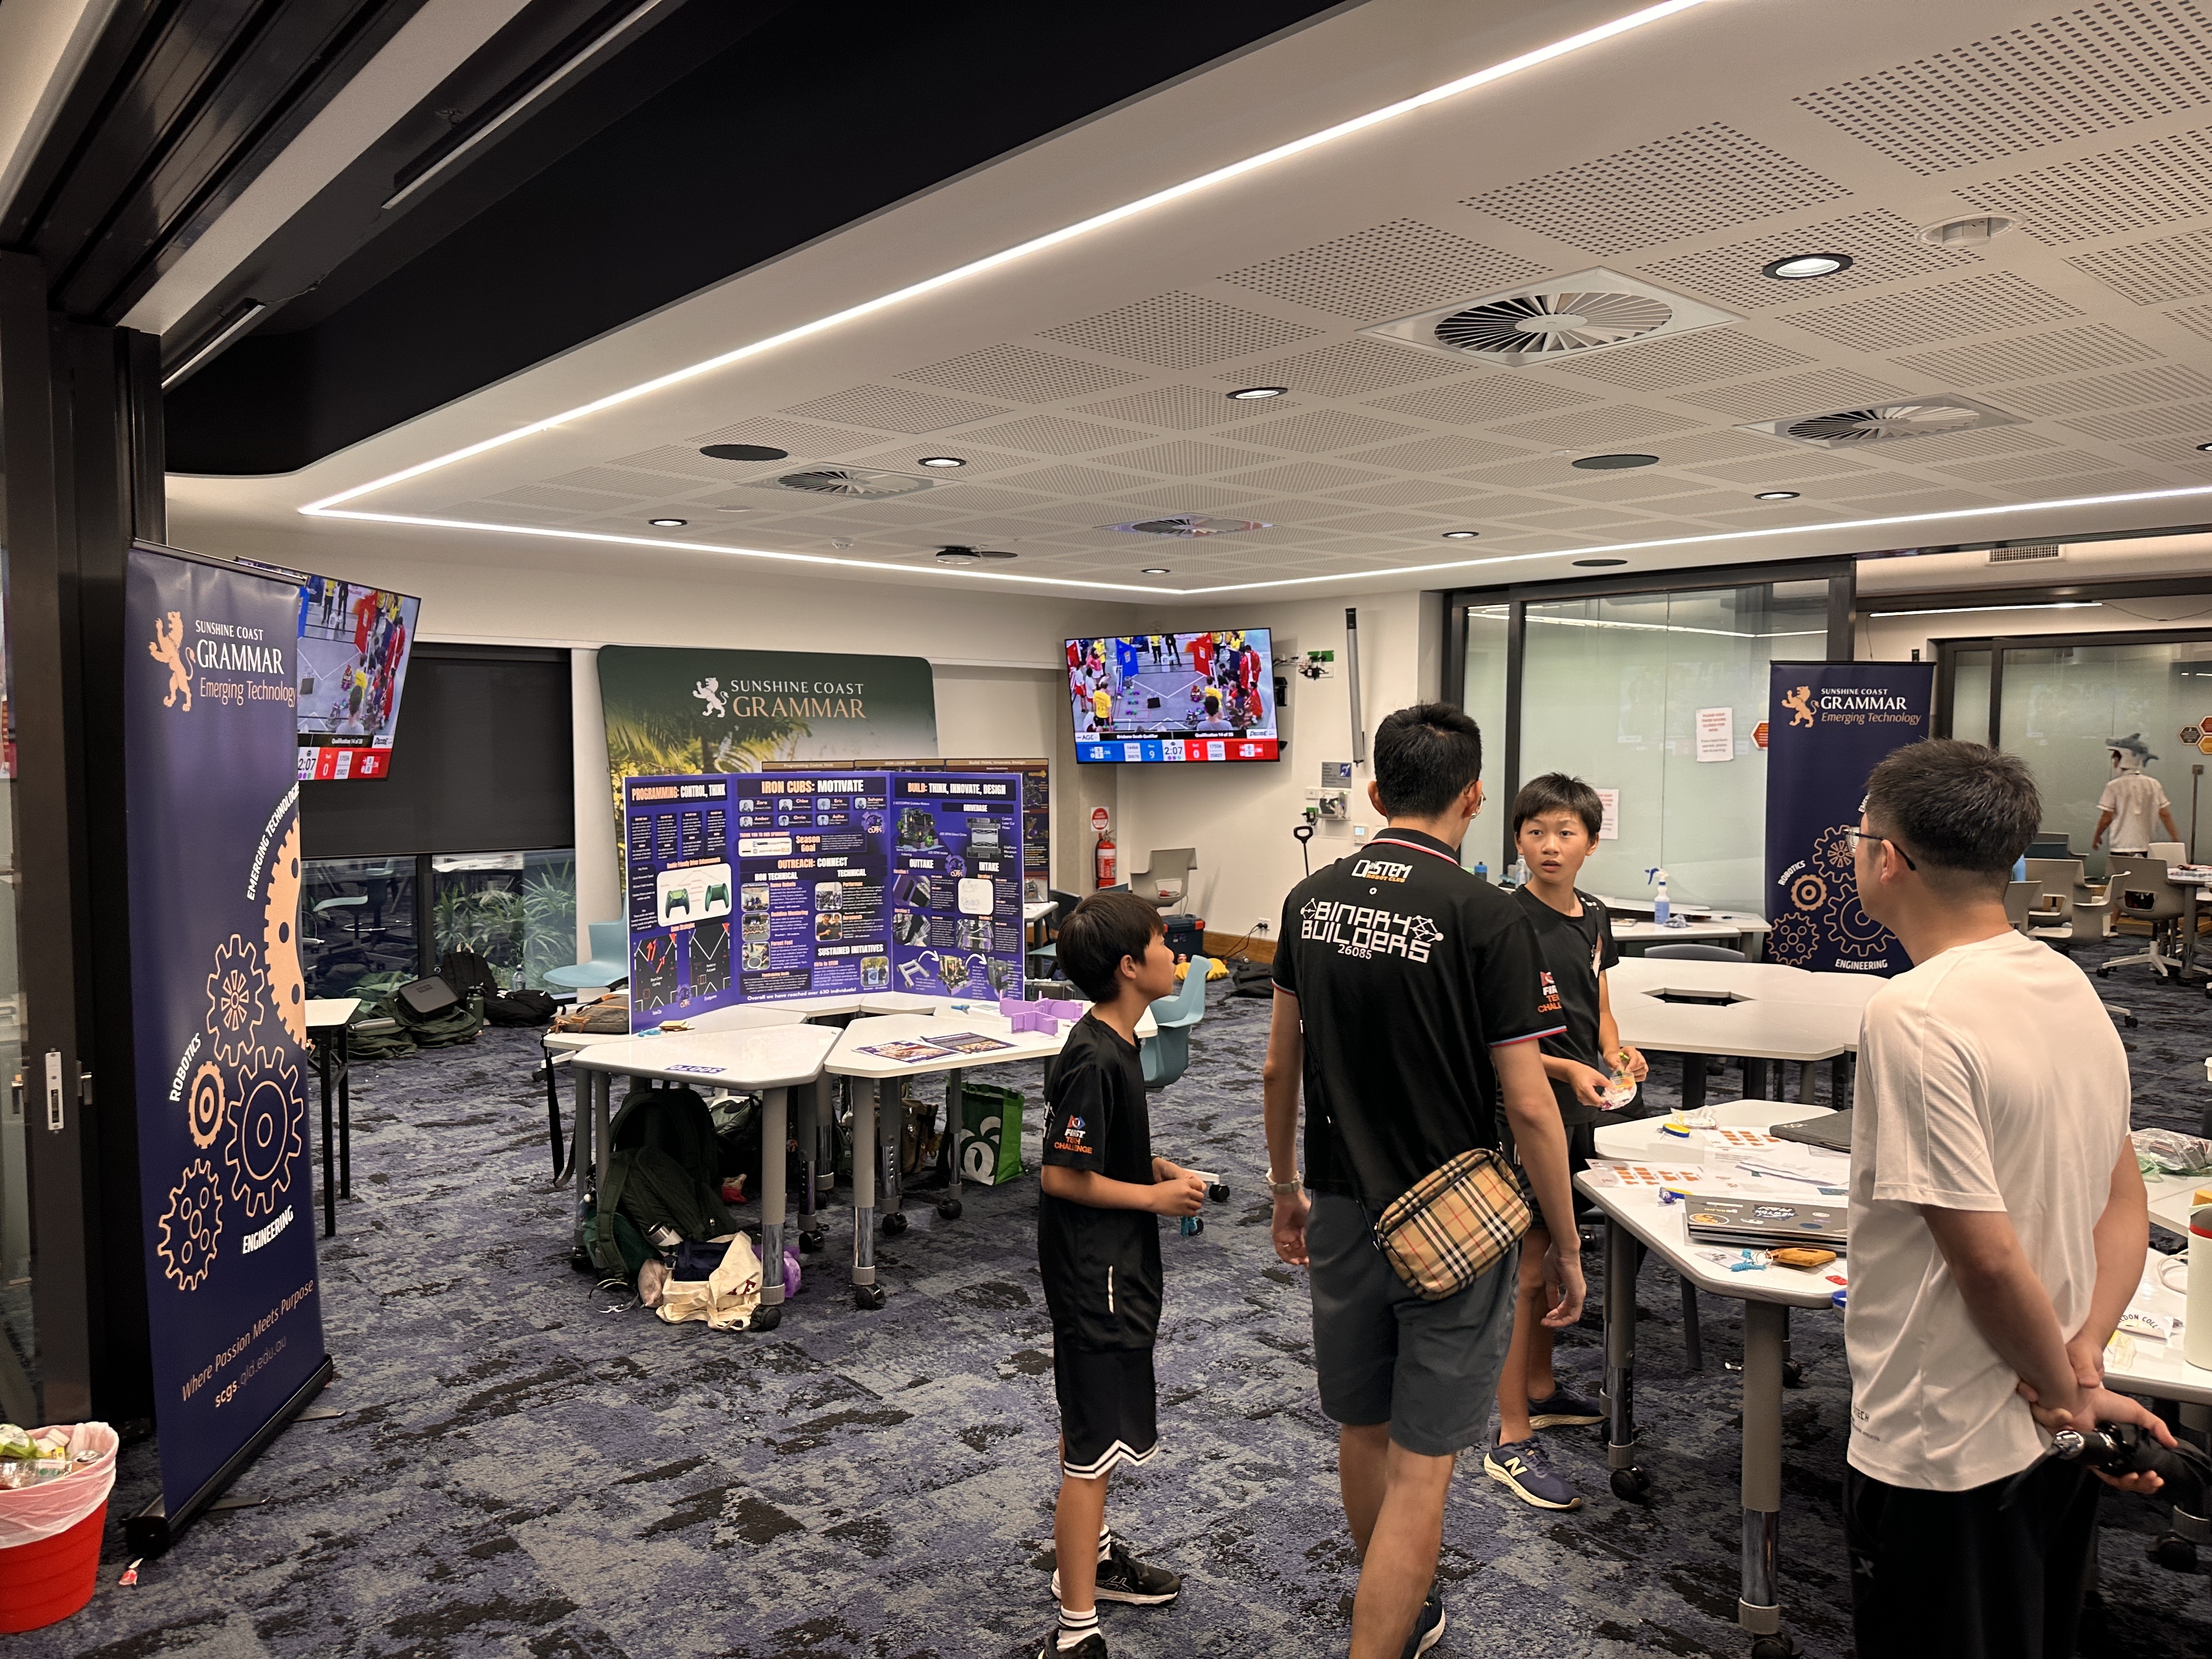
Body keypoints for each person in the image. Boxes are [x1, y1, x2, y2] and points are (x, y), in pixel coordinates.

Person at [1265, 704, 1583, 1658]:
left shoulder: (1309, 899)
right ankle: (1384, 1632)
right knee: (1424, 1463)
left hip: (1340, 1201)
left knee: (1363, 1426)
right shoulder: (1488, 915)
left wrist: (1283, 1186)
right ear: (1474, 798)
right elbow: (1529, 1106)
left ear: (1375, 793)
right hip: (1457, 1223)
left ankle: (1399, 1611)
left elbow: (1278, 1066)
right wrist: (1566, 1241)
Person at [1844, 738, 2172, 1658]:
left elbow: (1984, 1259)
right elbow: (2123, 1202)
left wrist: (2070, 1395)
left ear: (1887, 858)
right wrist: (2083, 1364)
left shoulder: (1914, 1013)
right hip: (2048, 1423)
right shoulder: (2066, 983)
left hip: (1941, 1437)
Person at [1034, 890, 1207, 1659]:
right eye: (1166, 942)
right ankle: (1077, 1631)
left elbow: (1098, 1148)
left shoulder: (1117, 1039)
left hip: (1110, 1266)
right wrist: (1153, 1198)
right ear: (1132, 966)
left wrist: (1151, 1165)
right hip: (1094, 1277)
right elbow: (1061, 1175)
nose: (1178, 954)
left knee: (1090, 1426)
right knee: (1090, 1451)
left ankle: (1096, 1562)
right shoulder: (1095, 1055)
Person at [1488, 774, 1648, 1510]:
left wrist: (1615, 1054)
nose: (1550, 846)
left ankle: (1542, 1387)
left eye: (1566, 833)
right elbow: (1494, 1036)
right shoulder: (1503, 919)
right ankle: (1510, 1433)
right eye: (1536, 832)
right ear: (1518, 839)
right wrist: (1566, 1068)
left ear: (1591, 843)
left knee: (1557, 1253)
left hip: (1585, 1106)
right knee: (1526, 1271)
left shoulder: (1596, 915)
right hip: (1528, 1110)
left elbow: (1601, 1007)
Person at [2090, 732, 2180, 856]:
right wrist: (2175, 840)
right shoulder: (2154, 784)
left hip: (2121, 847)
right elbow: (2165, 814)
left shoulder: (2114, 786)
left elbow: (2107, 818)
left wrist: (2097, 836)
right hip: (2148, 847)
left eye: (2115, 758)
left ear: (2125, 757)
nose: (2114, 762)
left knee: (2121, 870)